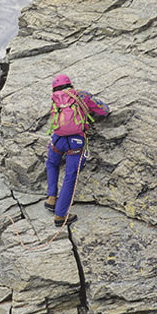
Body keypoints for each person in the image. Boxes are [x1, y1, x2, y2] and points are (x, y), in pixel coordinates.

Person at [45, 73, 109, 227]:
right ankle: (60, 215)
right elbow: (104, 110)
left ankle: (51, 198)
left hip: (58, 140)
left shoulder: (55, 98)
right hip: (76, 141)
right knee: (70, 176)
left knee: (51, 163)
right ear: (70, 85)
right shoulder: (80, 95)